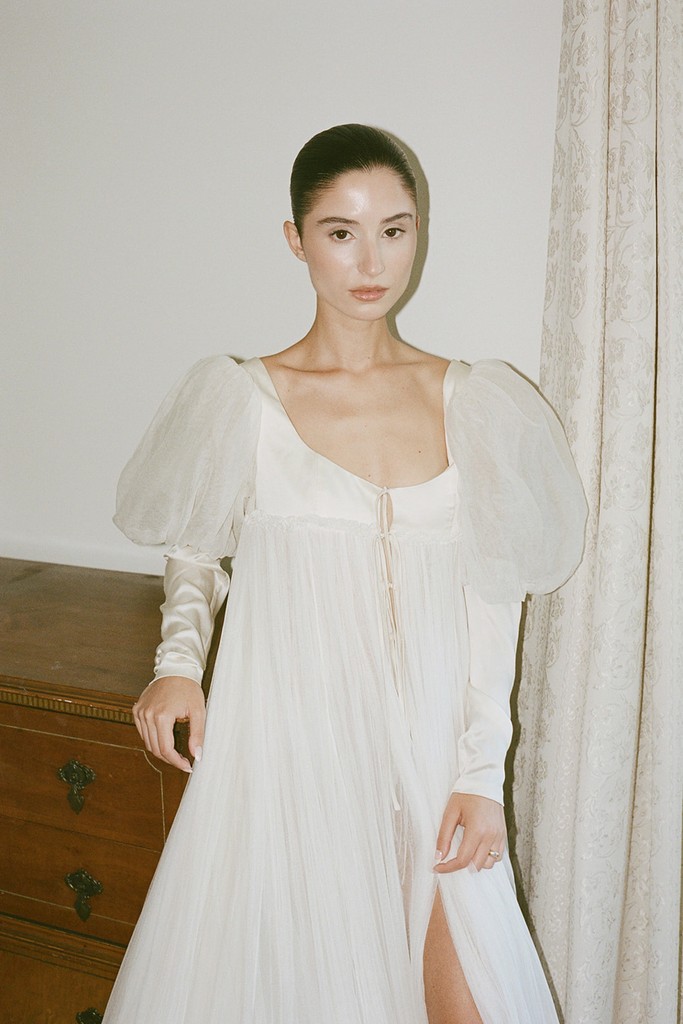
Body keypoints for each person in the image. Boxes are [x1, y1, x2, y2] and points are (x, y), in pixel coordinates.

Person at [106, 124, 586, 1024]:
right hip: (294, 747)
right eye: (340, 232)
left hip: (436, 754)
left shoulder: (472, 399)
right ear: (295, 238)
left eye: (395, 230)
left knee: (469, 1001)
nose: (372, 260)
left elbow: (495, 595)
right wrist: (177, 661)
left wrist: (482, 773)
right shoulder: (245, 396)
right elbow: (196, 546)